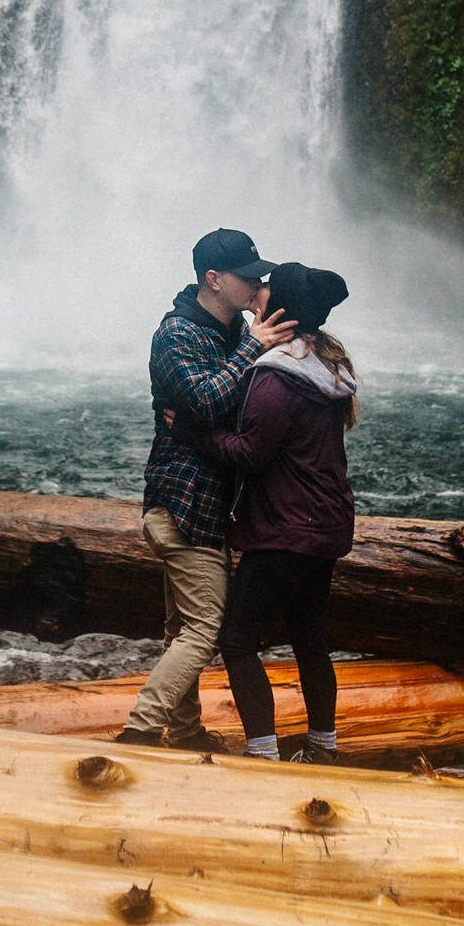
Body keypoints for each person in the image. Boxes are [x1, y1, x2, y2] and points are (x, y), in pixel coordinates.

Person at [115, 228, 296, 750]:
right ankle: (140, 732)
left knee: (180, 632)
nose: (258, 282)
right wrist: (252, 350)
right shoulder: (176, 335)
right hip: (183, 508)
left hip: (208, 510)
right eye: (248, 275)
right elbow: (209, 403)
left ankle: (188, 732)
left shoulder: (230, 330)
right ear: (213, 280)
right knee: (204, 631)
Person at [174, 261, 356, 765]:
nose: (257, 290)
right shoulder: (323, 363)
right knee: (309, 639)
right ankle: (323, 747)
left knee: (236, 641)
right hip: (322, 526)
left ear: (282, 306)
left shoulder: (279, 378)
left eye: (266, 288)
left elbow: (250, 452)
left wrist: (192, 432)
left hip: (284, 532)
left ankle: (263, 755)